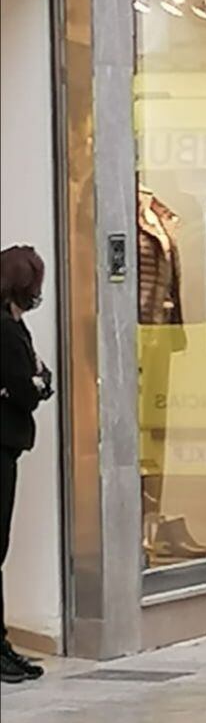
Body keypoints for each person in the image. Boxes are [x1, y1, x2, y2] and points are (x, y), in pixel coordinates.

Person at [1, 246, 53, 683]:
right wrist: (34, 383)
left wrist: (35, 381)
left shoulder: (14, 326)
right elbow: (27, 387)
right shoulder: (4, 328)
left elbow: (38, 377)